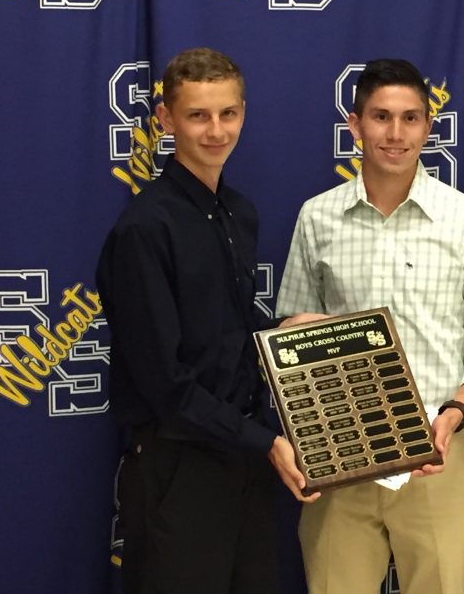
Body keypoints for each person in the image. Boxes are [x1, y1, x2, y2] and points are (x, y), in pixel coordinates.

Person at [275, 58, 464, 594]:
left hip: (439, 451)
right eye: (381, 117)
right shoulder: (316, 218)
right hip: (339, 453)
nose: (395, 133)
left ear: (428, 127)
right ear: (355, 124)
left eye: (410, 118)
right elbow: (288, 334)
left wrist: (456, 412)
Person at [96, 47, 319, 594]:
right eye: (198, 115)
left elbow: (224, 330)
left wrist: (277, 334)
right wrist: (265, 442)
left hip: (245, 461)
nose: (216, 130)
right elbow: (167, 384)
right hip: (179, 468)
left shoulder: (238, 212)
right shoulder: (146, 229)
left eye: (228, 113)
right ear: (166, 120)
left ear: (243, 112)